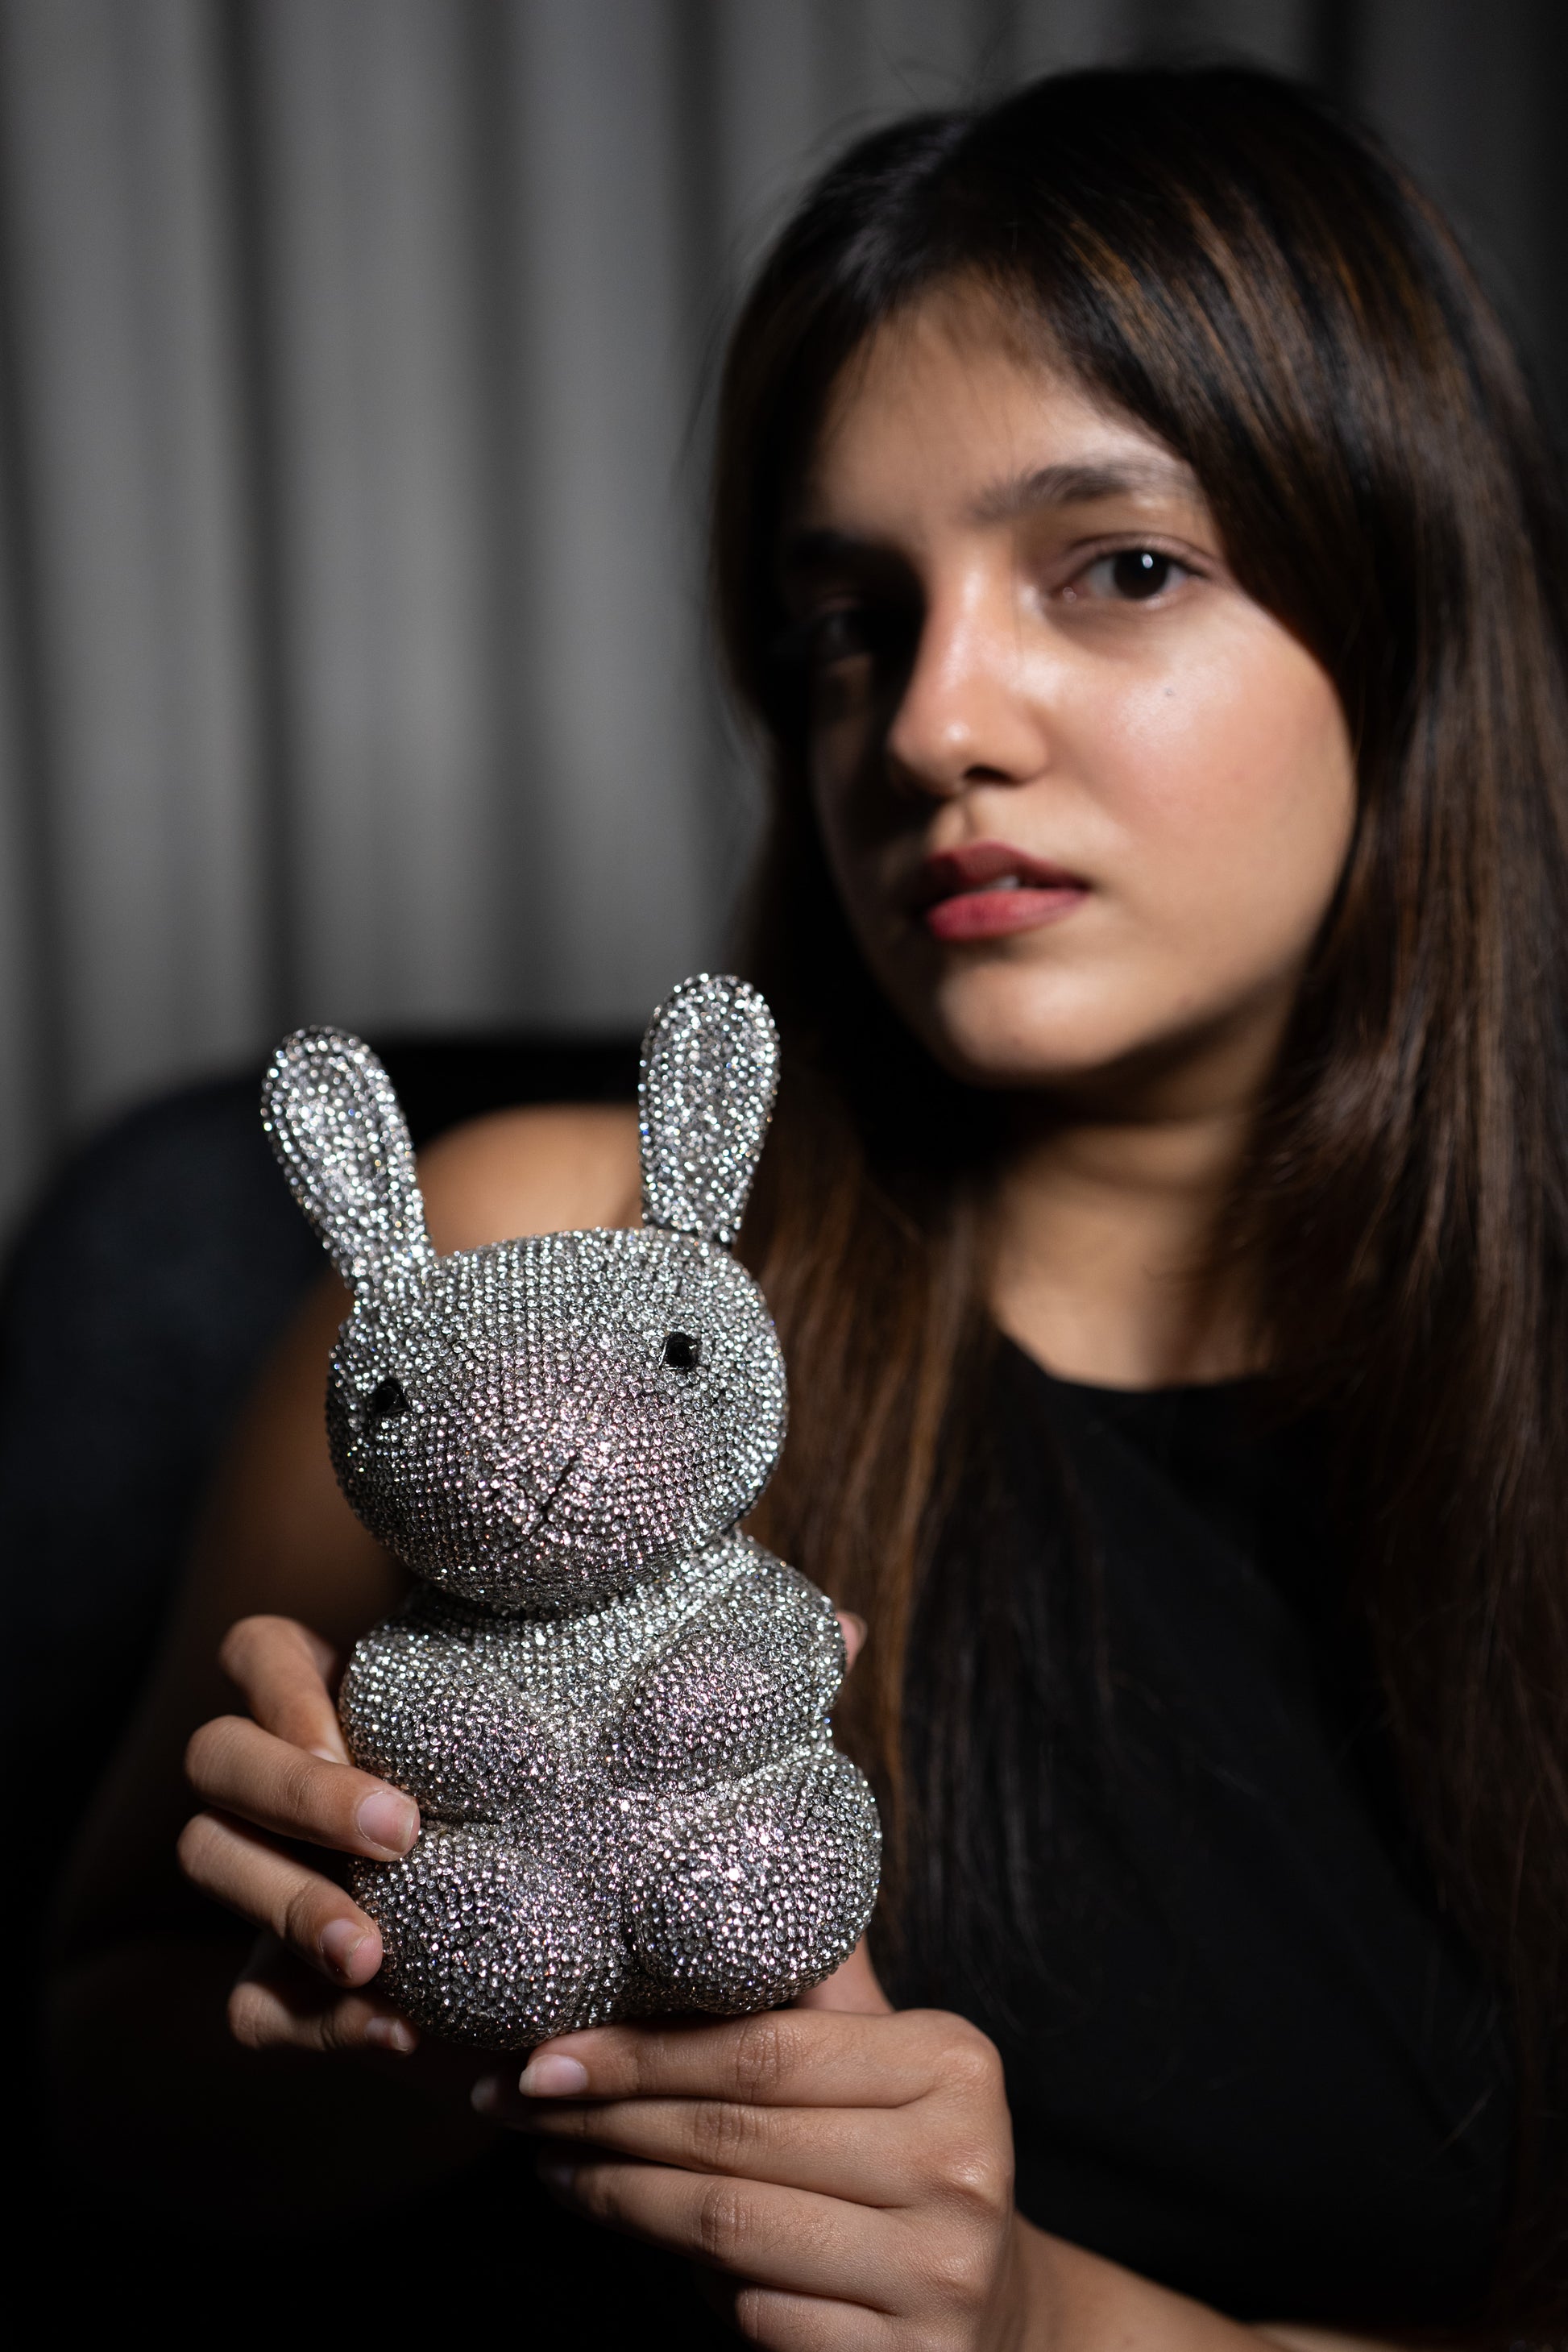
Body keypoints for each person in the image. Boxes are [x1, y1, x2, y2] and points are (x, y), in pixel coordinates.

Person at [43, 64, 1568, 2346]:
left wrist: (1051, 2324)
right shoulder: (523, 1266)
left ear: (1408, 610)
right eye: (851, 617)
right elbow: (91, 2098)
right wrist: (378, 2016)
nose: (934, 722)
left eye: (1119, 568)